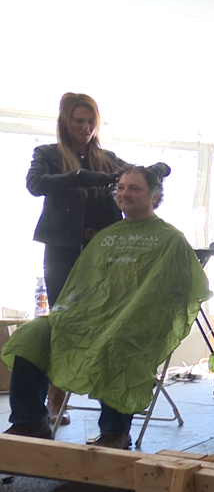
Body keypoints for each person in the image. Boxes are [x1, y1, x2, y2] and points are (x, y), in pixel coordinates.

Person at [3, 165, 210, 448]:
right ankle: (29, 422)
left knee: (117, 341)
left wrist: (137, 314)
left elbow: (181, 291)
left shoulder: (170, 239)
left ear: (154, 195)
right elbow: (82, 284)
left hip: (136, 325)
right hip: (90, 318)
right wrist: (68, 311)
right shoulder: (105, 237)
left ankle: (115, 432)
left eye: (134, 188)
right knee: (32, 334)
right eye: (121, 188)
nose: (125, 194)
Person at [26, 93, 130, 426]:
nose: (85, 128)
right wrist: (79, 178)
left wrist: (152, 173)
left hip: (105, 253)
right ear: (65, 122)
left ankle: (110, 407)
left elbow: (136, 178)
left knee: (106, 321)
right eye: (78, 121)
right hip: (62, 251)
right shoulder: (48, 154)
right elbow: (35, 184)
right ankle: (56, 396)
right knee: (63, 323)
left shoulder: (108, 157)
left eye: (90, 122)